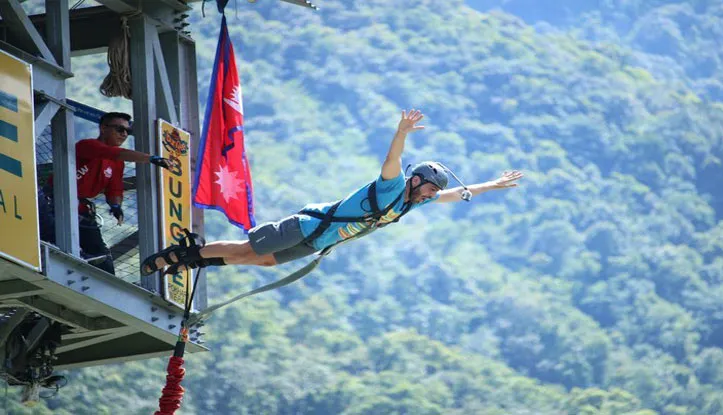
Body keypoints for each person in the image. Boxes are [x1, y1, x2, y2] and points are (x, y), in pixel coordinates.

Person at [141, 109, 523, 275]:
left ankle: (200, 260)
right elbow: (392, 158)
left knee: (263, 262)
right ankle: (182, 254)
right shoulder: (392, 186)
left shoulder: (412, 204)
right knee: (247, 249)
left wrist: (491, 184)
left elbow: (458, 194)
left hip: (318, 242)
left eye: (433, 191)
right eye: (429, 187)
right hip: (309, 226)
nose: (431, 194)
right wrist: (401, 133)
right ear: (416, 180)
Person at [40, 112, 173, 275]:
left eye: (128, 131)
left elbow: (114, 188)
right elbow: (113, 153)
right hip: (53, 203)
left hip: (81, 211)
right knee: (55, 241)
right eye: (119, 129)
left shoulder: (117, 163)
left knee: (102, 258)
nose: (124, 134)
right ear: (103, 128)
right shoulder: (87, 146)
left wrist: (116, 206)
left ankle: (98, 278)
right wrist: (151, 159)